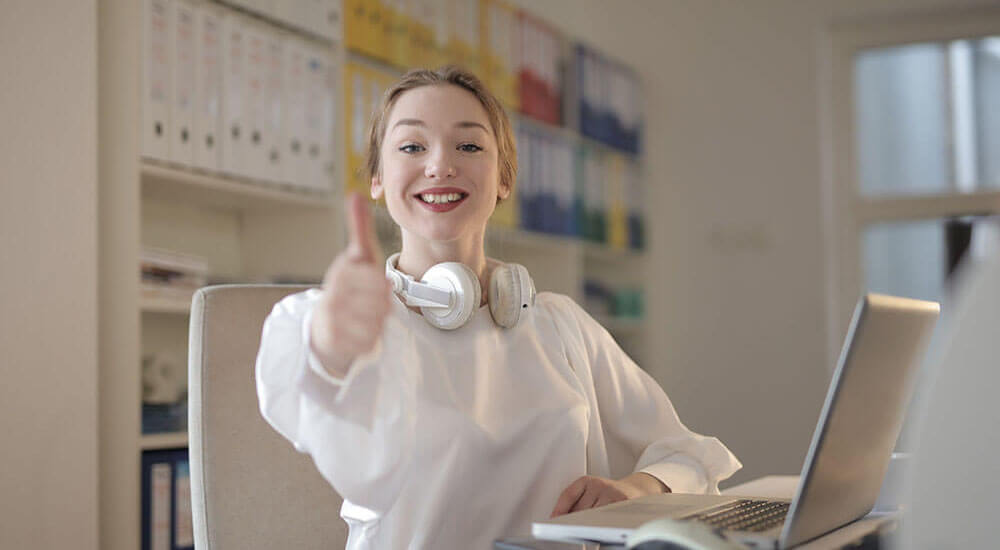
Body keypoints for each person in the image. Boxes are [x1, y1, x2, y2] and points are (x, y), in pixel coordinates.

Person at [255, 66, 741, 549]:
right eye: (412, 147)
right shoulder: (349, 324)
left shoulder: (559, 324)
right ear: (377, 179)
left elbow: (690, 454)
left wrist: (633, 488)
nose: (440, 165)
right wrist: (329, 348)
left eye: (468, 146)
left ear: (504, 179)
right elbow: (311, 395)